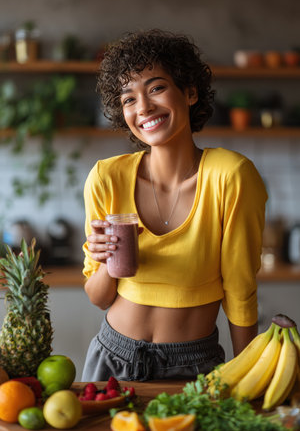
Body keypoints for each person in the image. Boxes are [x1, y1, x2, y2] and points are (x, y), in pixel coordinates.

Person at [81, 29, 268, 382]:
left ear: (190, 91)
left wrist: (250, 380)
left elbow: (240, 289)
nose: (144, 107)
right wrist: (107, 262)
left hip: (194, 366)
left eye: (156, 88)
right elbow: (99, 296)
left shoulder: (231, 175)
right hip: (112, 359)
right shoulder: (107, 177)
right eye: (128, 99)